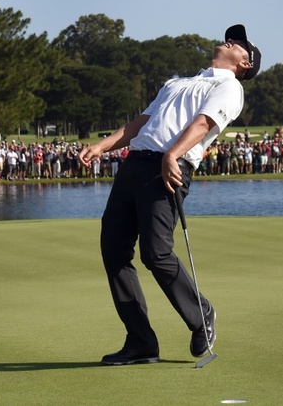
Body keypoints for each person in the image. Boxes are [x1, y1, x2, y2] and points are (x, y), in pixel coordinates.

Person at [78, 24, 261, 365]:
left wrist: (172, 155)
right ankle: (141, 342)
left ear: (245, 63)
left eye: (240, 44)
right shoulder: (177, 83)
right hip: (134, 165)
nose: (231, 40)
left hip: (167, 169)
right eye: (232, 38)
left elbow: (205, 124)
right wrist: (102, 146)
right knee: (113, 249)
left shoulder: (230, 86)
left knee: (156, 252)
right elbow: (141, 122)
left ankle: (201, 314)